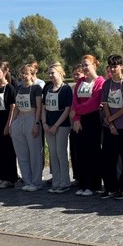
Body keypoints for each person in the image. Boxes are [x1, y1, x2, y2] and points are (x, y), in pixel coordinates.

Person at [100, 55, 123, 199]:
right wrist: (110, 123)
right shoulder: (107, 84)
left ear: (122, 67)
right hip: (109, 127)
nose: (113, 69)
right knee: (108, 158)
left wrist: (112, 120)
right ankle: (110, 187)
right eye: (111, 66)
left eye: (115, 66)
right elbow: (105, 104)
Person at [71, 55, 105, 196]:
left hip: (93, 119)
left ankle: (93, 184)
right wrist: (77, 118)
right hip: (79, 120)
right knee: (81, 152)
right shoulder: (80, 81)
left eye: (87, 65)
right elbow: (75, 100)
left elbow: (94, 103)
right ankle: (83, 183)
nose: (84, 68)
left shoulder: (100, 82)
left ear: (94, 65)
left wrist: (76, 111)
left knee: (92, 152)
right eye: (83, 65)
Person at [11, 63, 45, 191]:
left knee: (34, 152)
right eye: (22, 73)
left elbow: (39, 107)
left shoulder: (36, 88)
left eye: (26, 73)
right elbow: (16, 107)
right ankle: (27, 180)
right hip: (19, 118)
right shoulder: (18, 88)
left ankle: (36, 182)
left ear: (32, 74)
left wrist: (36, 123)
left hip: (31, 117)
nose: (24, 76)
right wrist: (12, 123)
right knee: (22, 153)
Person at [42, 61, 72, 193]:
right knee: (53, 154)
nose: (50, 75)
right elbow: (44, 107)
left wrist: (56, 125)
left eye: (52, 73)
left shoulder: (66, 89)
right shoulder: (47, 88)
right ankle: (56, 181)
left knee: (61, 153)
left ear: (60, 73)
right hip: (48, 125)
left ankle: (64, 182)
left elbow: (67, 109)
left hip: (61, 125)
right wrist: (44, 123)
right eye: (49, 73)